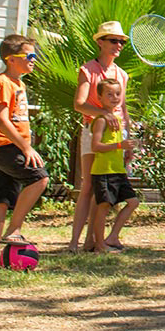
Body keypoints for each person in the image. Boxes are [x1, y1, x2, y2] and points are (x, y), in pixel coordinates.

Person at [0, 35, 48, 265]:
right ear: (11, 59)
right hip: (4, 145)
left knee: (1, 200)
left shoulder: (19, 83)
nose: (34, 60)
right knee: (39, 178)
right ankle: (14, 229)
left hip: (7, 146)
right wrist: (26, 147)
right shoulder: (2, 83)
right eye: (29, 56)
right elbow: (2, 121)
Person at [69, 21, 131, 253]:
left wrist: (128, 139)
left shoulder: (121, 74)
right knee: (88, 187)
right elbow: (79, 104)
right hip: (93, 130)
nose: (118, 45)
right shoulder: (88, 70)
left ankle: (93, 241)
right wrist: (103, 113)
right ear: (100, 42)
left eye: (121, 41)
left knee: (102, 190)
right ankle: (74, 243)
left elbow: (123, 109)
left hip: (116, 135)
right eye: (114, 40)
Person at [88, 78, 140, 253]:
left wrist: (125, 151)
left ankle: (113, 236)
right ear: (100, 97)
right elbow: (95, 147)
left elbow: (118, 143)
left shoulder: (117, 119)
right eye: (109, 94)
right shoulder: (102, 119)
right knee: (103, 207)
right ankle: (99, 245)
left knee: (133, 202)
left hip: (118, 170)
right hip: (103, 171)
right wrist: (119, 146)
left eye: (118, 94)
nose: (114, 97)